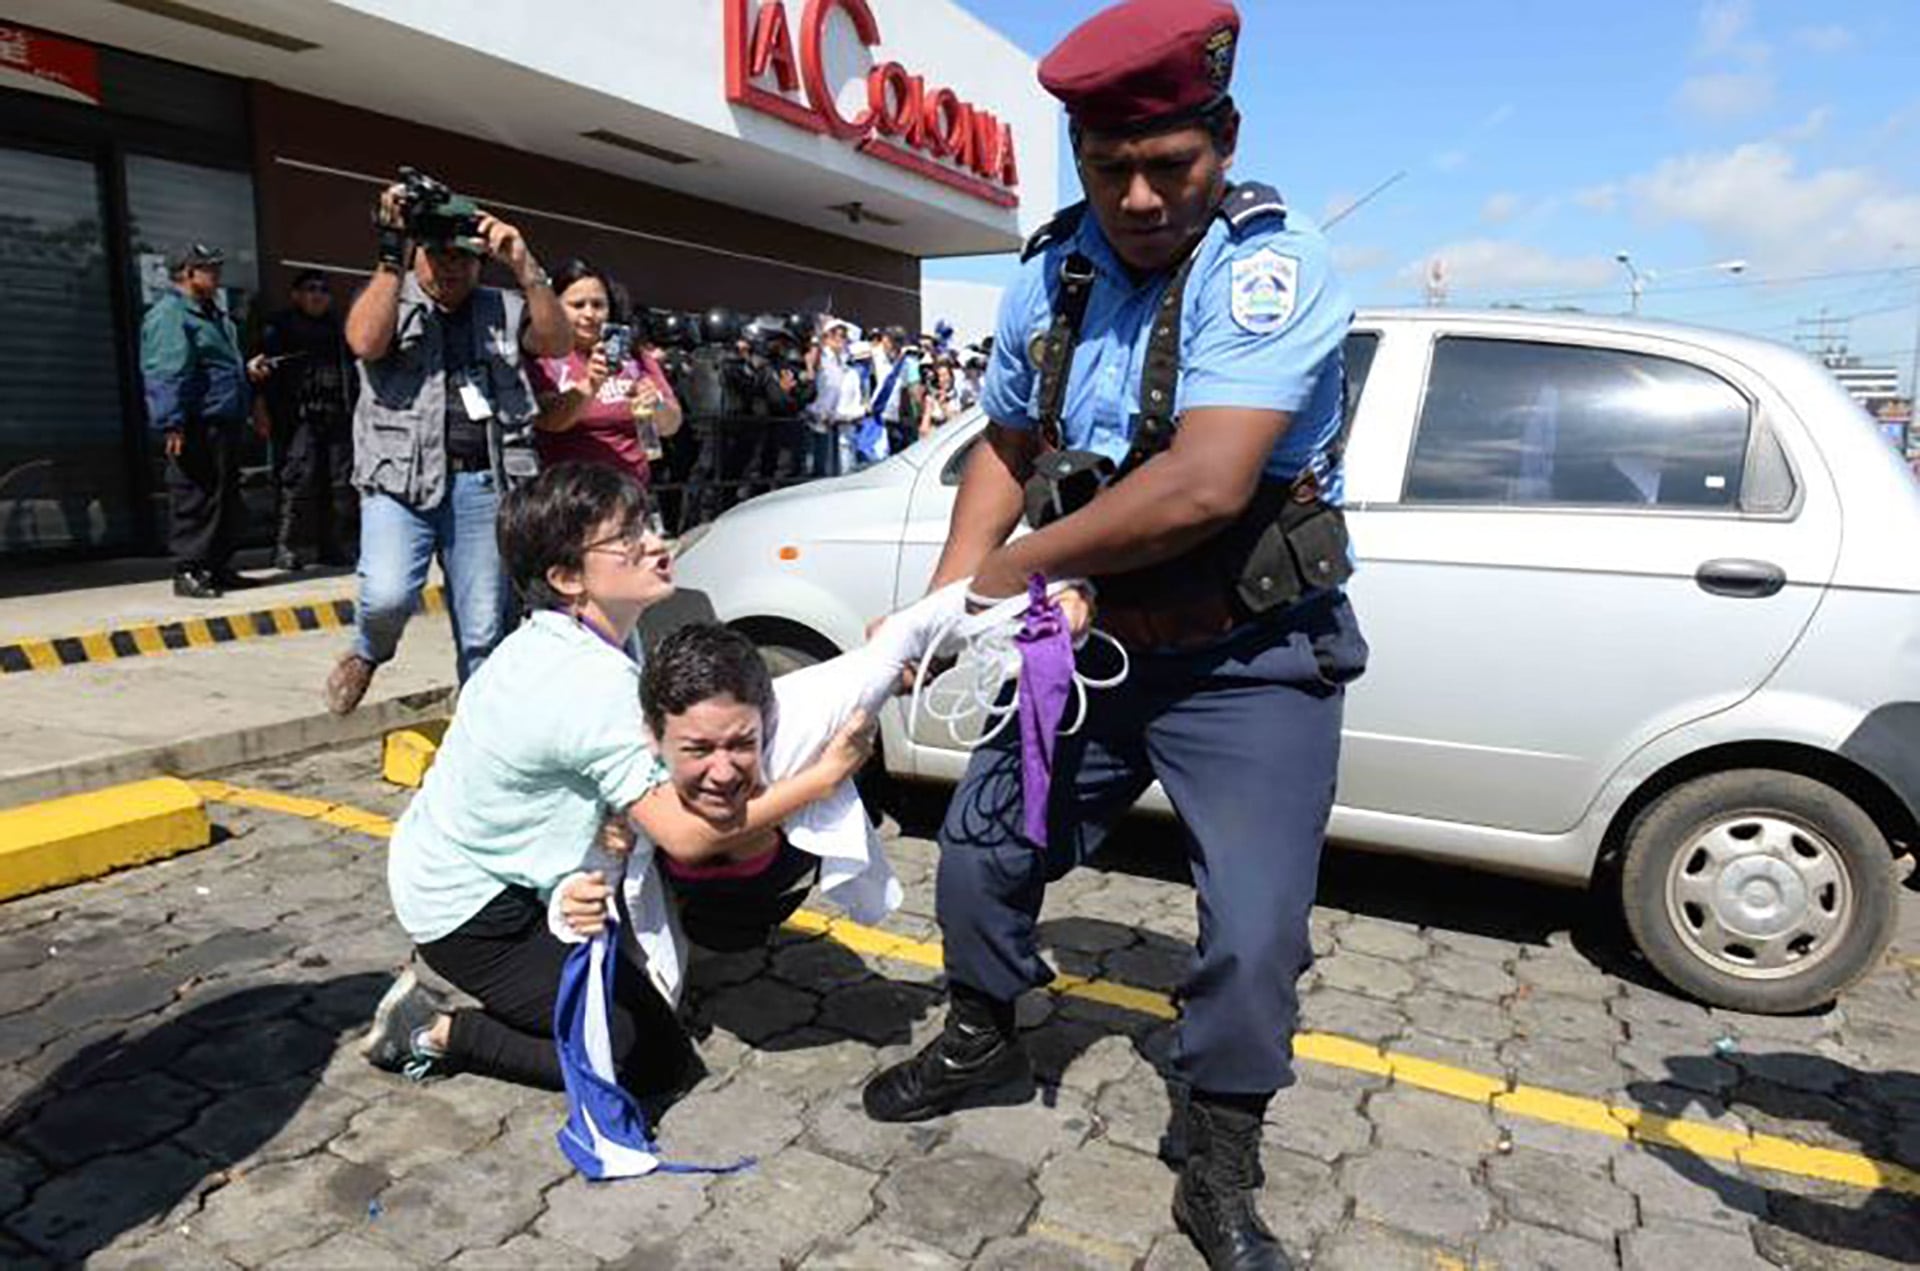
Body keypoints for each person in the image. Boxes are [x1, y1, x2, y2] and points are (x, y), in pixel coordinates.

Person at [857, 4, 1365, 1268]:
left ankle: (1222, 1148)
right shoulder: (1054, 270)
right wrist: (941, 601)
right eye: (1106, 167)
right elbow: (1010, 444)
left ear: (1224, 137)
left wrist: (1012, 568)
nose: (1137, 197)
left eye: (1169, 166)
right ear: (1075, 155)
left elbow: (1202, 484)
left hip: (1249, 660)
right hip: (1093, 653)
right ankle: (984, 1030)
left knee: (1255, 929)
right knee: (979, 847)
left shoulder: (1270, 266)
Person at [363, 462, 870, 1092]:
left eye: (648, 525)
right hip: (469, 910)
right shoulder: (586, 683)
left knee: (735, 828)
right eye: (627, 538)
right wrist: (822, 780)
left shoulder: (592, 637)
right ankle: (431, 1029)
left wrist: (877, 669)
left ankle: (596, 967)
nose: (656, 543)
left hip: (517, 872)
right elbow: (686, 836)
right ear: (568, 578)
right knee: (639, 1058)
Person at [325, 179, 571, 716]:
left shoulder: (502, 307)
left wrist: (526, 266)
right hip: (400, 484)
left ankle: (478, 744)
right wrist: (391, 260)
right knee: (387, 596)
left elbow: (557, 343)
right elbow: (364, 342)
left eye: (464, 256)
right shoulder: (391, 296)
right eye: (438, 254)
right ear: (418, 254)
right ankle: (369, 651)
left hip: (484, 484)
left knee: (485, 630)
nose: (451, 267)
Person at [141, 243, 251, 599]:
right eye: (209, 269)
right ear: (187, 273)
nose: (217, 276)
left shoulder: (211, 313)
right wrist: (171, 422)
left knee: (223, 495)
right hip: (195, 422)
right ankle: (188, 569)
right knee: (194, 495)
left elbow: (216, 364)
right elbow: (165, 371)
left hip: (223, 418)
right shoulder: (171, 314)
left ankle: (216, 565)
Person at [527, 260, 682, 489]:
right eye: (578, 305)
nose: (590, 314)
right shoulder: (544, 357)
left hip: (630, 495)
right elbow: (549, 421)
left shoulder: (634, 357)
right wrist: (590, 386)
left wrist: (656, 405)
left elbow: (672, 425)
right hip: (567, 496)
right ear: (556, 307)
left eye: (598, 305)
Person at [254, 269, 358, 571]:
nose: (318, 295)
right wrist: (260, 408)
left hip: (335, 414)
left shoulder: (338, 327)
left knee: (339, 484)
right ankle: (285, 547)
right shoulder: (279, 327)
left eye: (323, 290)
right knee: (296, 481)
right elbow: (261, 373)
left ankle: (333, 546)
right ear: (296, 295)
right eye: (310, 289)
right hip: (297, 416)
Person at [918, 360, 961, 440]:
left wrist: (944, 405)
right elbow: (923, 434)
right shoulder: (930, 399)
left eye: (945, 375)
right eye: (939, 376)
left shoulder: (958, 393)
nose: (943, 379)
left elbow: (957, 423)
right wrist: (928, 411)